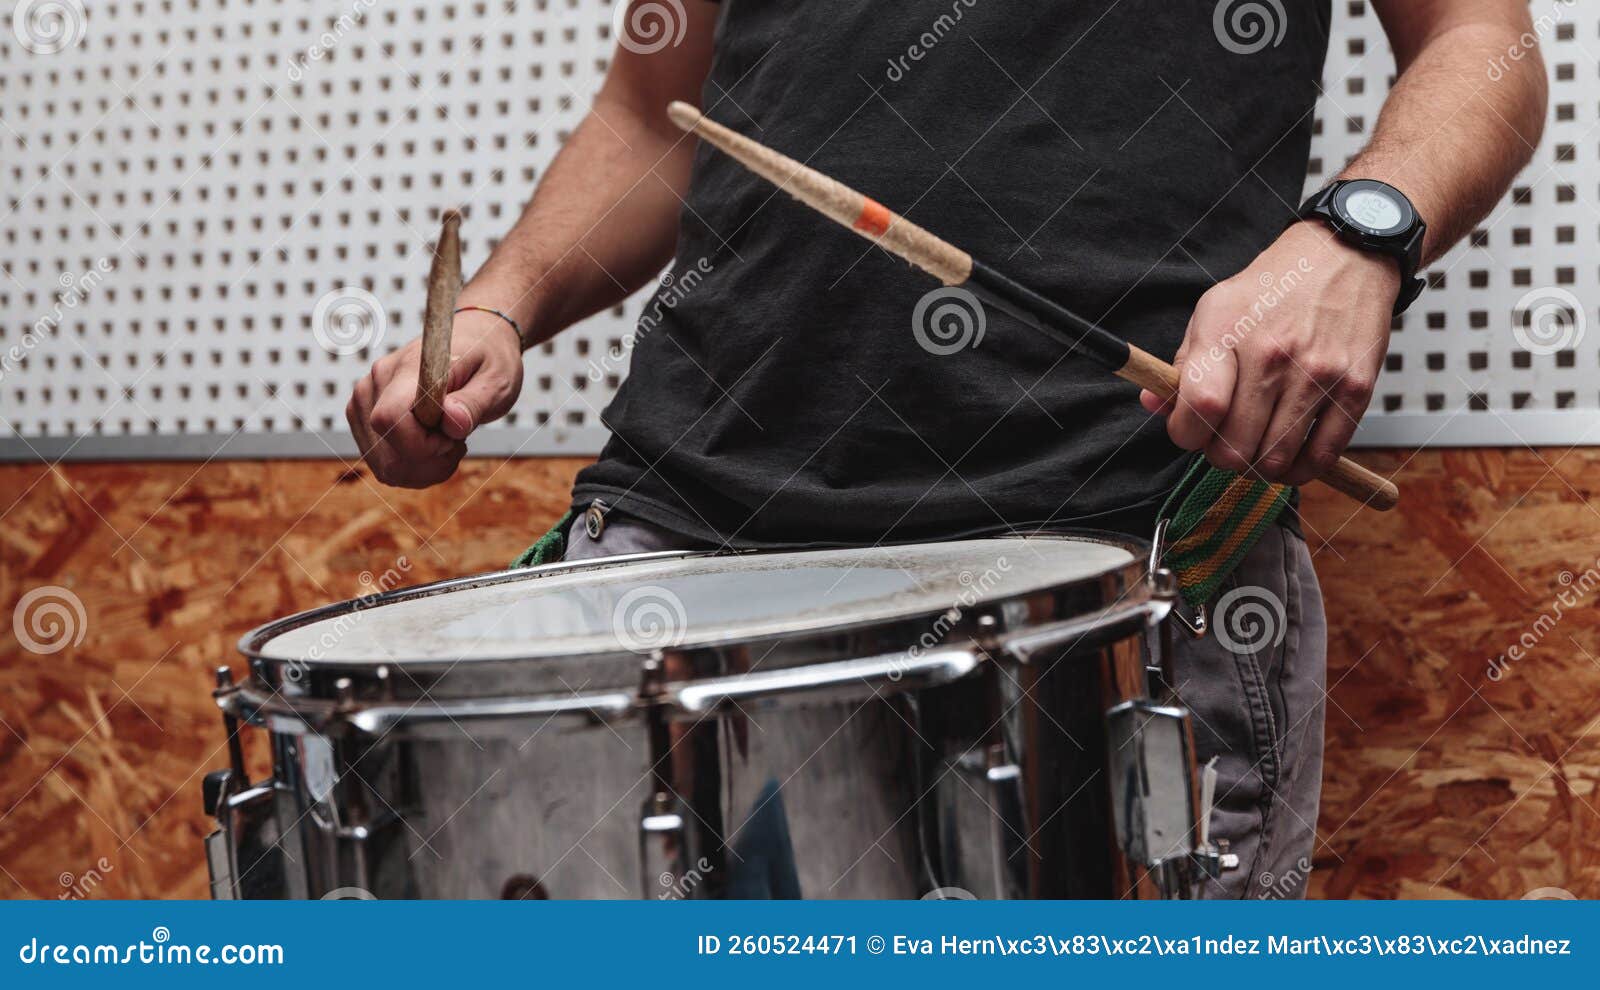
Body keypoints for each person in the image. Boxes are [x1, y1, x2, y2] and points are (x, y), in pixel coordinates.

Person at [347, 1, 1545, 897]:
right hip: (683, 538)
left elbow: (1478, 41)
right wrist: (503, 303)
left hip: (1116, 557)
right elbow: (650, 112)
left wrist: (1360, 236)